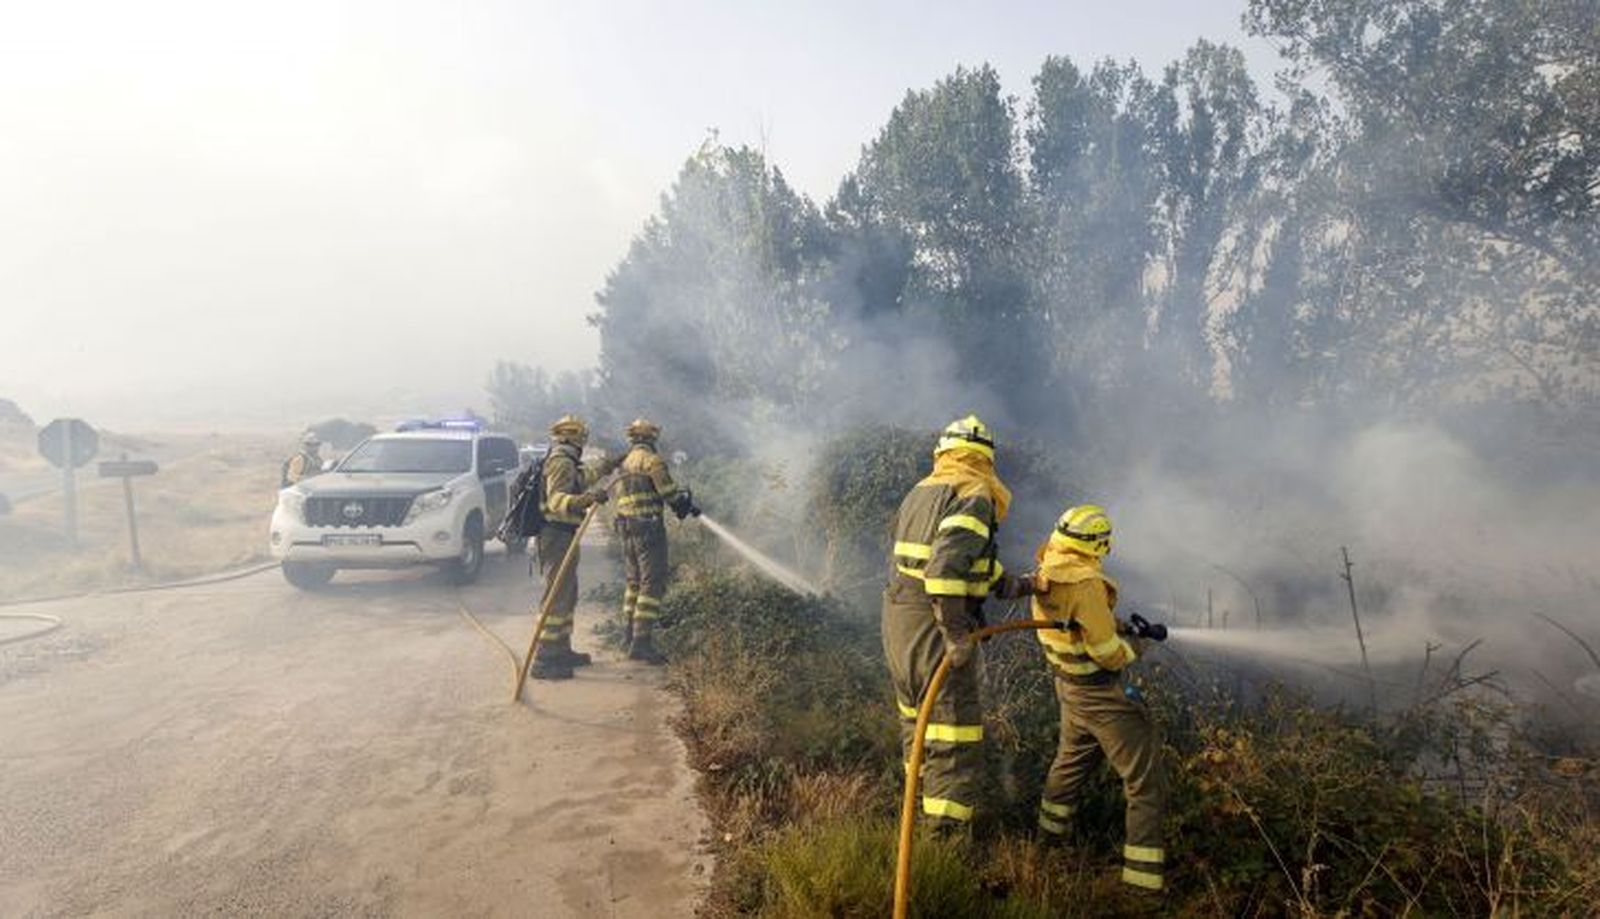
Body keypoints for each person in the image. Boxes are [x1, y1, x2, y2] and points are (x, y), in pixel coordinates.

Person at [882, 415, 1035, 835]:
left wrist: (1019, 585)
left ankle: (915, 818)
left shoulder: (923, 489)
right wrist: (955, 633)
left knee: (917, 720)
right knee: (954, 732)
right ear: (986, 459)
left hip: (899, 617)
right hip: (934, 621)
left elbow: (951, 559)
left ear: (943, 452)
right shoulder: (974, 493)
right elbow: (944, 569)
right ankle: (943, 841)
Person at [1031, 504, 1169, 893]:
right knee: (1146, 784)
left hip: (1070, 689)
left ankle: (1045, 851)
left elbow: (1078, 623)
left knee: (1068, 768)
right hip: (1101, 695)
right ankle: (1142, 887)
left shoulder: (1047, 569)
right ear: (1097, 544)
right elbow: (1107, 653)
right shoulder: (1086, 583)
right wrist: (1138, 646)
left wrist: (1120, 625)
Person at [529, 415, 617, 681]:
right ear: (575, 437)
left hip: (564, 535)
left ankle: (560, 650)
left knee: (567, 594)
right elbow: (557, 501)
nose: (583, 442)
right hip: (556, 536)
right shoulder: (560, 461)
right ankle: (544, 659)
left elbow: (583, 477)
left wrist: (609, 464)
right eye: (582, 437)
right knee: (557, 595)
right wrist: (588, 499)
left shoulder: (566, 461)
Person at [608, 418, 697, 664]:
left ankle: (628, 635)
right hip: (648, 529)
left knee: (633, 582)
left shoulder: (625, 462)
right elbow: (667, 492)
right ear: (651, 438)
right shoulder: (652, 460)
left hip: (626, 528)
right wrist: (681, 503)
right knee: (651, 584)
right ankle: (641, 642)